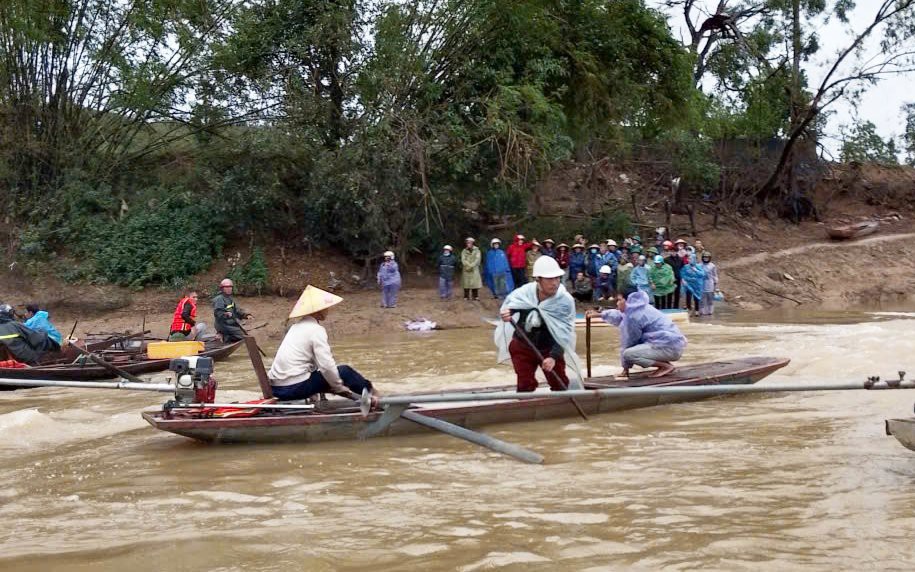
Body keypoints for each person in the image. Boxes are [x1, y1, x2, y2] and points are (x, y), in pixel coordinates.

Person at [268, 286, 377, 404]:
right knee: (345, 371)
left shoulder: (295, 328)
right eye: (325, 307)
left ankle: (369, 394)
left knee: (332, 374)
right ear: (317, 311)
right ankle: (375, 395)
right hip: (293, 388)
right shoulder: (316, 330)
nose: (328, 310)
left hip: (277, 388)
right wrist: (338, 387)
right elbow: (326, 365)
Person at [495, 256, 583, 392]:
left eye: (557, 278)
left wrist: (553, 357)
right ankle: (525, 406)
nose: (555, 283)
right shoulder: (524, 293)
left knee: (559, 384)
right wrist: (508, 313)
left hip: (550, 347)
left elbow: (565, 332)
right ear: (538, 280)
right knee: (525, 384)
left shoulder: (564, 301)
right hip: (523, 344)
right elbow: (511, 306)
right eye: (549, 279)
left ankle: (562, 406)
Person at [588, 286, 687, 378]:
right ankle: (665, 365)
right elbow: (619, 315)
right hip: (671, 345)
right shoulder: (639, 308)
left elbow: (629, 342)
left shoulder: (633, 317)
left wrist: (625, 369)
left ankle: (665, 366)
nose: (617, 303)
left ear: (628, 301)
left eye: (619, 300)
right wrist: (599, 314)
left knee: (629, 354)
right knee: (631, 352)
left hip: (668, 347)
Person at [213, 279, 251, 343]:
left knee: (244, 334)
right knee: (243, 336)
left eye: (230, 287)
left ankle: (225, 336)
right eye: (227, 287)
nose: (229, 289)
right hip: (223, 325)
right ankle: (223, 336)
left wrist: (245, 315)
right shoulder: (219, 299)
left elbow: (236, 311)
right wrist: (225, 314)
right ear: (222, 288)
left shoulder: (230, 298)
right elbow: (218, 313)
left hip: (231, 324)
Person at [664, 241, 685, 310]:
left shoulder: (680, 259)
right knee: (669, 293)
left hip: (678, 278)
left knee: (677, 294)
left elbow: (682, 268)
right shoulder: (666, 260)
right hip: (669, 279)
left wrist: (682, 277)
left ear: (677, 252)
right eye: (672, 251)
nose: (673, 252)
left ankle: (676, 308)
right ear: (670, 251)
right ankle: (668, 308)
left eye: (675, 251)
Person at [699, 252, 719, 316]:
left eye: (707, 257)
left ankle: (710, 311)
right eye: (704, 257)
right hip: (702, 283)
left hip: (710, 283)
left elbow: (715, 275)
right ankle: (702, 311)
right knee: (702, 298)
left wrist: (715, 282)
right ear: (702, 258)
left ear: (709, 258)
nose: (706, 258)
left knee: (710, 298)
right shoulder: (699, 265)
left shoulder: (712, 265)